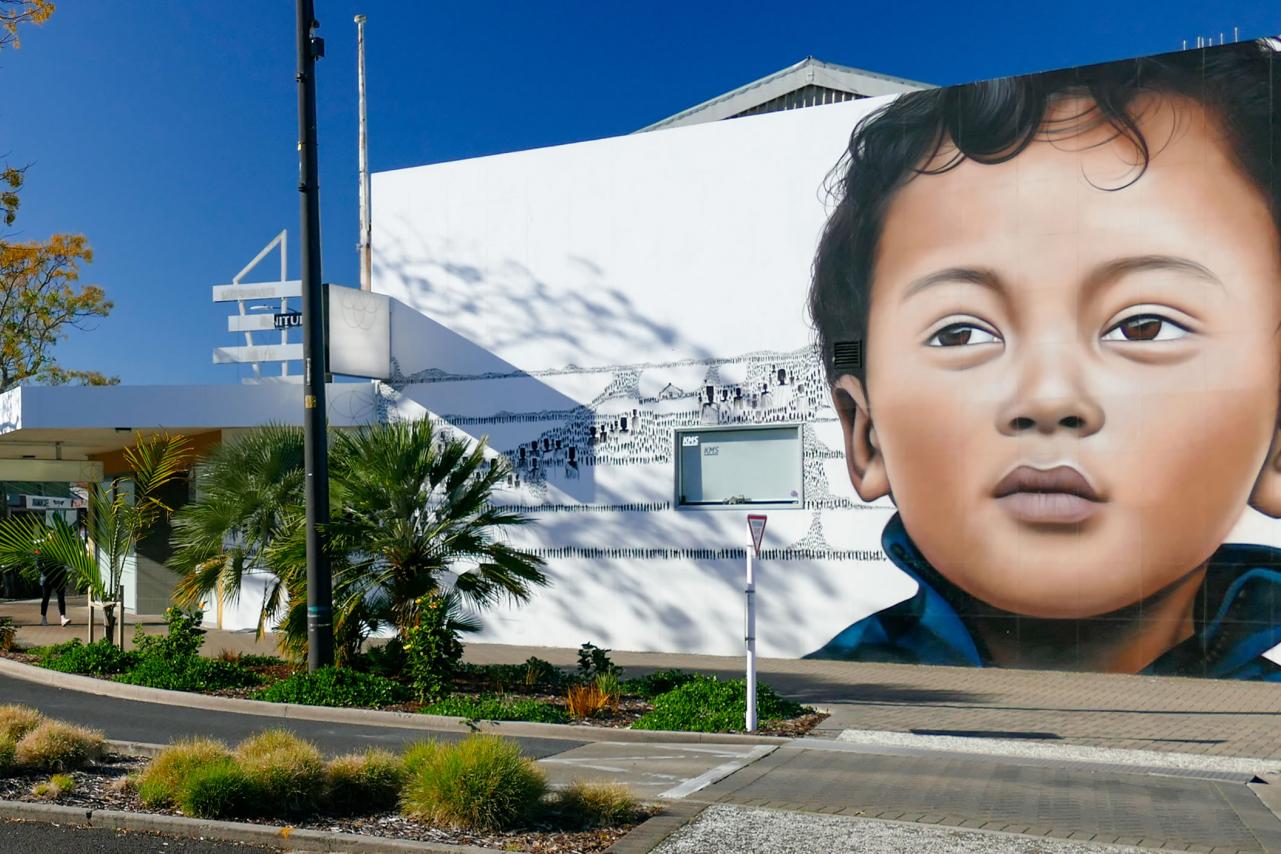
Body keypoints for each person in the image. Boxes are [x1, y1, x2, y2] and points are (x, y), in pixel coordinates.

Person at [807, 40, 1281, 679]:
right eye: (961, 334)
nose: (1049, 397)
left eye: (1143, 326)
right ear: (865, 436)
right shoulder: (825, 701)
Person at [38, 558, 69, 627]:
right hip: (47, 577)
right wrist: (48, 572)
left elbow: (65, 562)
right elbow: (38, 564)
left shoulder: (61, 549)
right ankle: (43, 618)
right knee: (45, 597)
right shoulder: (42, 549)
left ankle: (63, 618)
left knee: (61, 597)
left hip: (59, 576)